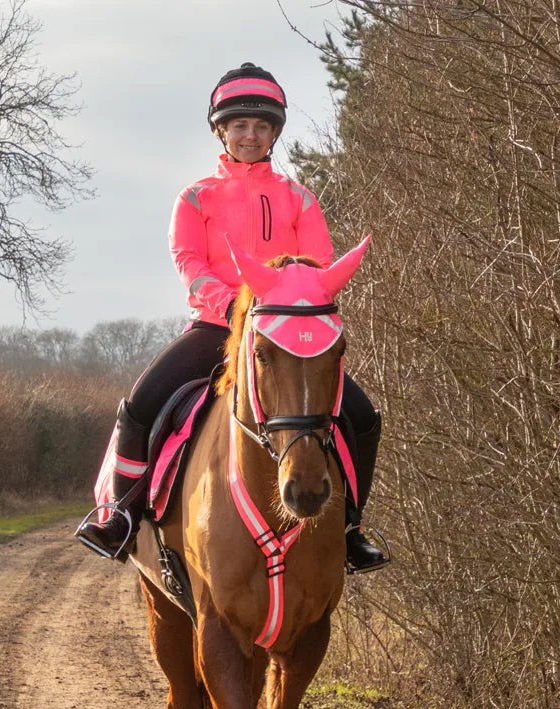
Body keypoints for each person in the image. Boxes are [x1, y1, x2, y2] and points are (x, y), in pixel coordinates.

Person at [76, 62, 388, 573]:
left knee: (363, 416)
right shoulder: (195, 198)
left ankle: (350, 529)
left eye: (261, 127)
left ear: (274, 135)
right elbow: (188, 263)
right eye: (239, 126)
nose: (250, 135)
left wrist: (273, 313)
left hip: (284, 338)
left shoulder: (299, 198)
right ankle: (121, 517)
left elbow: (316, 267)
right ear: (221, 130)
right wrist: (231, 307)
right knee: (138, 407)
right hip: (215, 328)